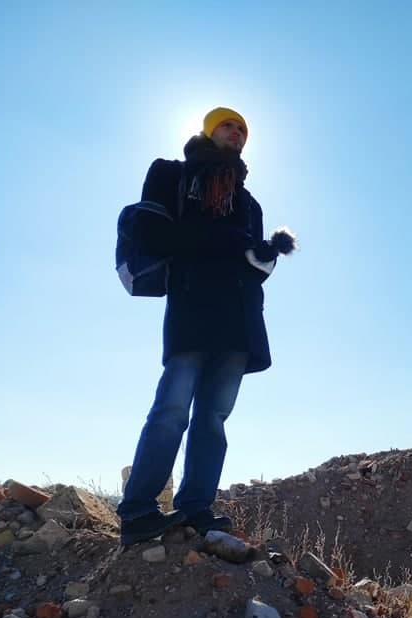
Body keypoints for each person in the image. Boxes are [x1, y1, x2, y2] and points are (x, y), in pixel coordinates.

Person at [117, 107, 294, 545]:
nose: (237, 133)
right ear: (210, 130)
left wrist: (265, 253)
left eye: (243, 130)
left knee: (213, 418)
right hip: (192, 307)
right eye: (229, 125)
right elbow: (157, 236)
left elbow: (254, 266)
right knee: (172, 409)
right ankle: (138, 511)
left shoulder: (249, 202)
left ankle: (196, 507)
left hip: (240, 319)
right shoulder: (173, 175)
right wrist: (228, 244)